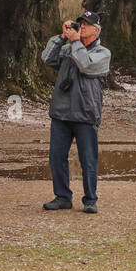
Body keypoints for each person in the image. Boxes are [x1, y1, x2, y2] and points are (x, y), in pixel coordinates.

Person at [40, 11, 112, 214]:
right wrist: (61, 37)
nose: (82, 27)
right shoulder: (68, 47)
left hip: (85, 113)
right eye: (80, 23)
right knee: (56, 157)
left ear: (96, 30)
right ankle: (62, 197)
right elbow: (46, 58)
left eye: (87, 25)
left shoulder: (103, 53)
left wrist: (75, 42)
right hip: (61, 113)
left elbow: (85, 64)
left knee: (88, 159)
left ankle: (90, 199)